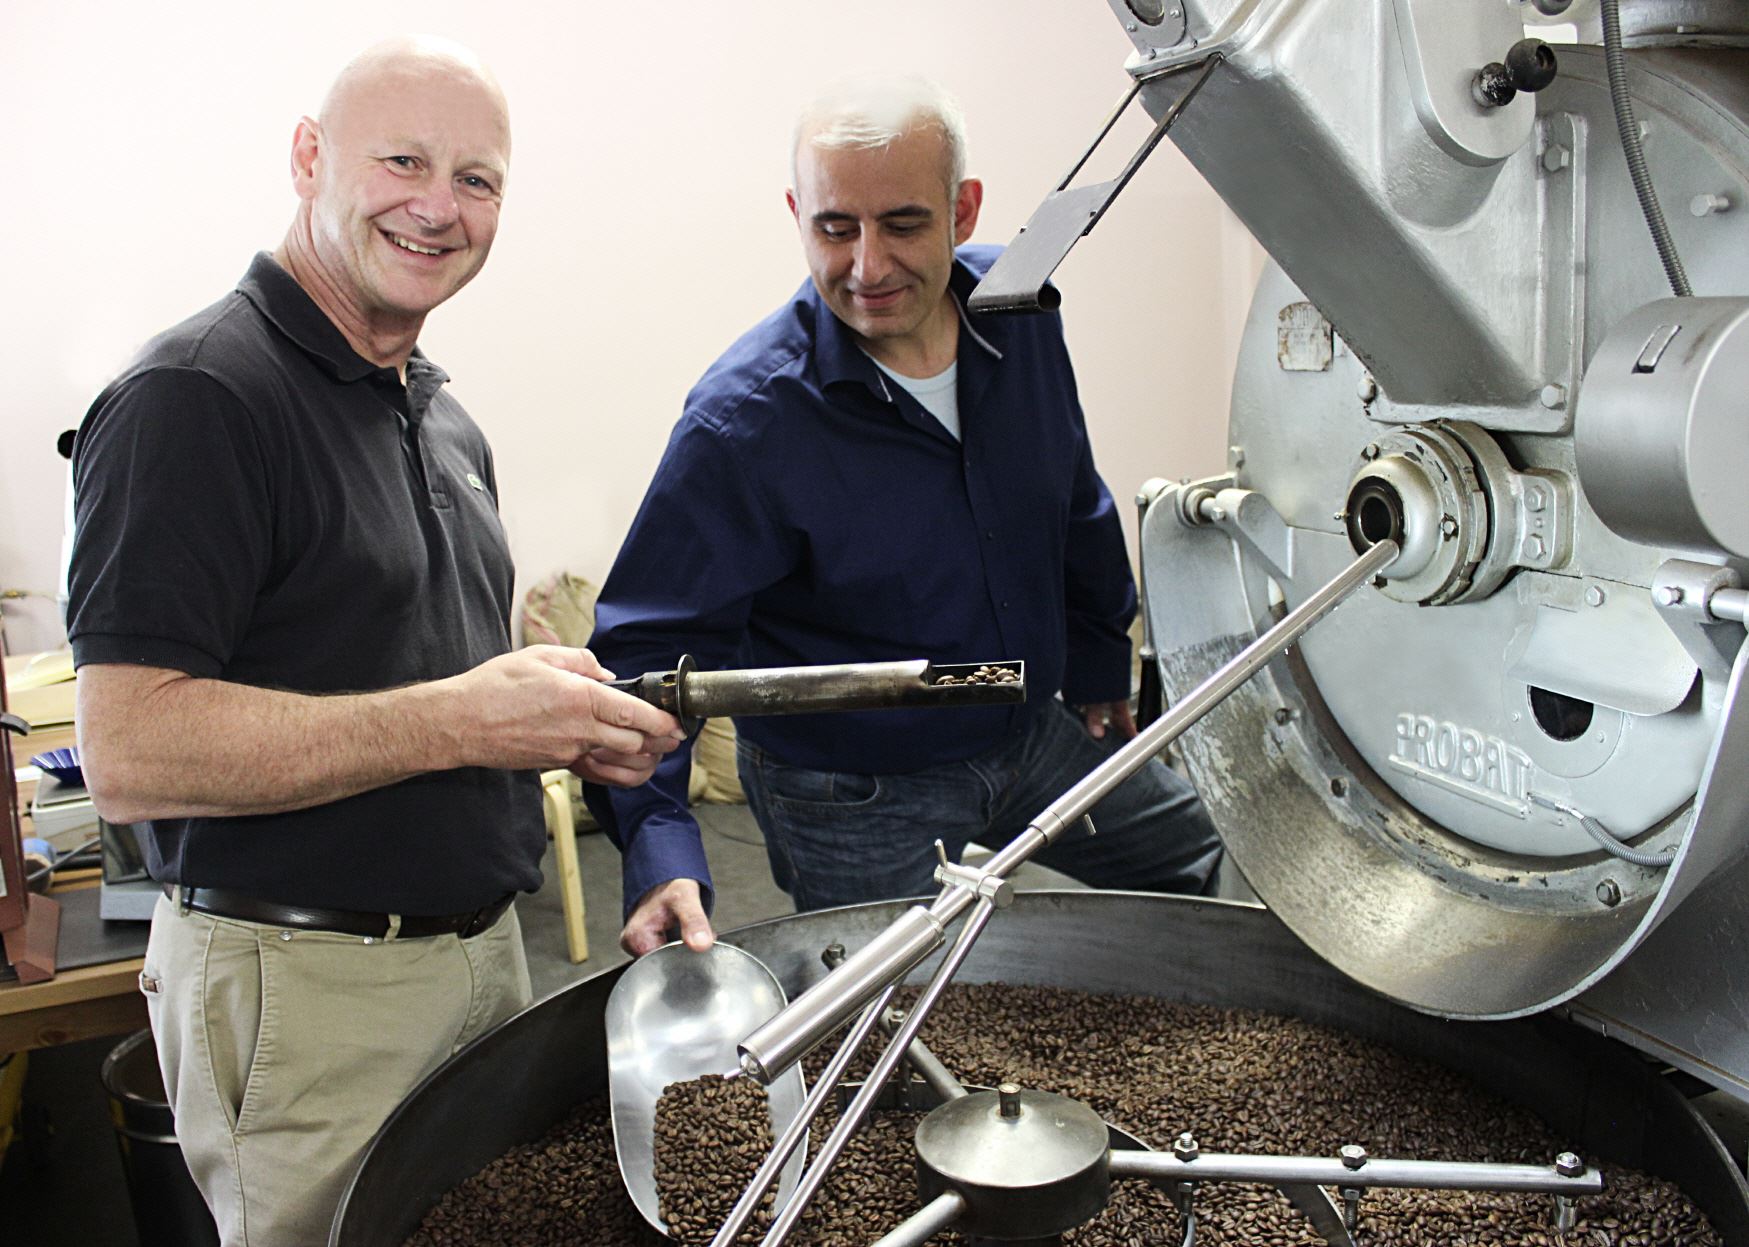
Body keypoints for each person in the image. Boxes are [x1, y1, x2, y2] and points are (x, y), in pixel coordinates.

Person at [66, 37, 682, 1244]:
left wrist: (562, 733)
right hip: (305, 989)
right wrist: (465, 718)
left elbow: (410, 683)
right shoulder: (196, 396)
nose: (439, 206)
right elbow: (129, 750)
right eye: (402, 161)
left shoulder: (442, 418)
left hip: (482, 965)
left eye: (477, 179)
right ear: (308, 157)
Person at [588, 77, 1221, 957]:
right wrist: (658, 847)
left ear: (962, 210)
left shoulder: (1022, 317)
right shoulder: (744, 421)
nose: (868, 267)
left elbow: (1073, 497)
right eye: (834, 228)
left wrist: (1096, 660)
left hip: (1028, 724)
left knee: (1204, 862)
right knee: (887, 1006)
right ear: (797, 215)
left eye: (902, 224)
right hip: (851, 786)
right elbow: (646, 656)